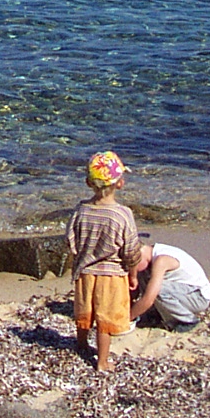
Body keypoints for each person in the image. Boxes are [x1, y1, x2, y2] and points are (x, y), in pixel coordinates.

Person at [66, 150, 141, 371]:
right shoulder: (122, 214)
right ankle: (102, 361)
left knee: (85, 311)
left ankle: (80, 344)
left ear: (88, 183)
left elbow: (71, 240)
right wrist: (133, 273)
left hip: (85, 271)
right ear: (120, 184)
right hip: (112, 273)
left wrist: (79, 259)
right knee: (104, 320)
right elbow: (131, 250)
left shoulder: (81, 210)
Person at [128, 240, 210, 330]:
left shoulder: (161, 261)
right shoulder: (153, 252)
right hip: (182, 290)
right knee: (144, 275)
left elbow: (149, 298)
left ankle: (187, 321)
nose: (132, 269)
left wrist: (129, 318)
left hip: (198, 297)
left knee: (157, 289)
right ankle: (156, 313)